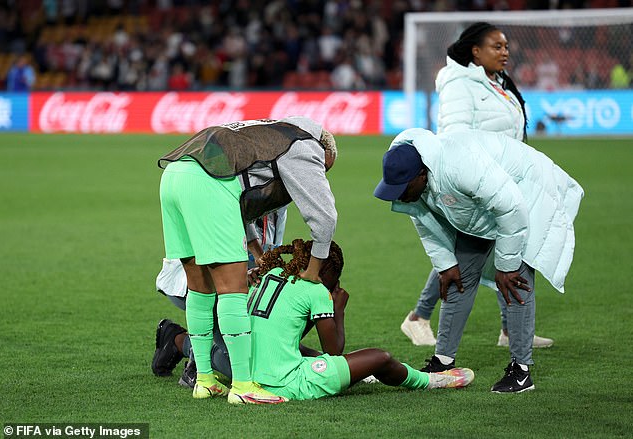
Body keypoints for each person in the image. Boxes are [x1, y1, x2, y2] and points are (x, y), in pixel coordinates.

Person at [374, 128, 583, 393]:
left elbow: (511, 207)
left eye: (403, 189)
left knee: (516, 280)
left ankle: (521, 372)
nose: (399, 196)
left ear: (421, 174)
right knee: (456, 275)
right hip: (485, 206)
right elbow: (425, 223)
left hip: (528, 194)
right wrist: (445, 263)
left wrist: (505, 265)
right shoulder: (416, 178)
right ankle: (443, 363)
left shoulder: (460, 167)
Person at [157, 116, 338, 404]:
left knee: (199, 286)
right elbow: (325, 217)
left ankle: (204, 380)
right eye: (323, 169)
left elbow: (243, 198)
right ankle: (243, 386)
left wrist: (257, 250)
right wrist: (314, 270)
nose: (320, 175)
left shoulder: (267, 132)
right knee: (233, 288)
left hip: (176, 174)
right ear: (324, 151)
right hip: (210, 184)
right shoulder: (305, 146)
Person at [401, 22, 555, 350]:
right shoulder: (460, 84)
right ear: (475, 51)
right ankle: (419, 316)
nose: (505, 52)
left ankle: (508, 330)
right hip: (476, 181)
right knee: (469, 253)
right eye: (496, 46)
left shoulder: (495, 82)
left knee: (495, 248)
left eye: (506, 46)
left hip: (500, 178)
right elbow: (457, 135)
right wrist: (482, 173)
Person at [245, 239, 475, 402]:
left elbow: (286, 333)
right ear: (326, 272)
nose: (336, 285)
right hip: (285, 384)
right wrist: (338, 310)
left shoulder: (271, 274)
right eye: (335, 279)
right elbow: (334, 354)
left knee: (301, 349)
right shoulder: (315, 289)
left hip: (249, 377)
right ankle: (429, 380)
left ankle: (363, 374)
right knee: (380, 357)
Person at [151, 209, 288, 388]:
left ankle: (178, 340)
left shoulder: (278, 207)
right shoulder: (232, 191)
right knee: (250, 370)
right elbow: (208, 257)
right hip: (194, 282)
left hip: (234, 290)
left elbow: (268, 255)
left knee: (261, 362)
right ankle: (194, 361)